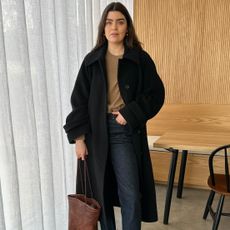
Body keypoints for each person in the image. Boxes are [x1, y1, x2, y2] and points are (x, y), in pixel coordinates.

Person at [64, 2, 165, 230]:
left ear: (127, 27)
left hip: (123, 131)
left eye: (120, 21)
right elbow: (78, 100)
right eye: (109, 22)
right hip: (94, 133)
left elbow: (156, 94)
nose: (114, 27)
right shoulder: (92, 61)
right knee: (101, 195)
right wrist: (79, 139)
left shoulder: (140, 59)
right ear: (103, 28)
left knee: (130, 192)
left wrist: (129, 113)